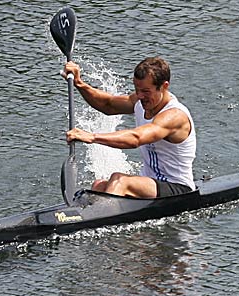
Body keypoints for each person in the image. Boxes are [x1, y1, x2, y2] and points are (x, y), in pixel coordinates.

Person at [63, 57, 196, 198]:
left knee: (120, 181)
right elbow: (108, 104)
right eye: (137, 89)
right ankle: (89, 215)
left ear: (164, 86)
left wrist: (92, 137)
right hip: (151, 184)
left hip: (178, 188)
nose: (139, 96)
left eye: (145, 91)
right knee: (99, 185)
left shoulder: (174, 116)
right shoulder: (140, 101)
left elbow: (136, 138)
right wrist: (79, 83)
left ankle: (100, 218)